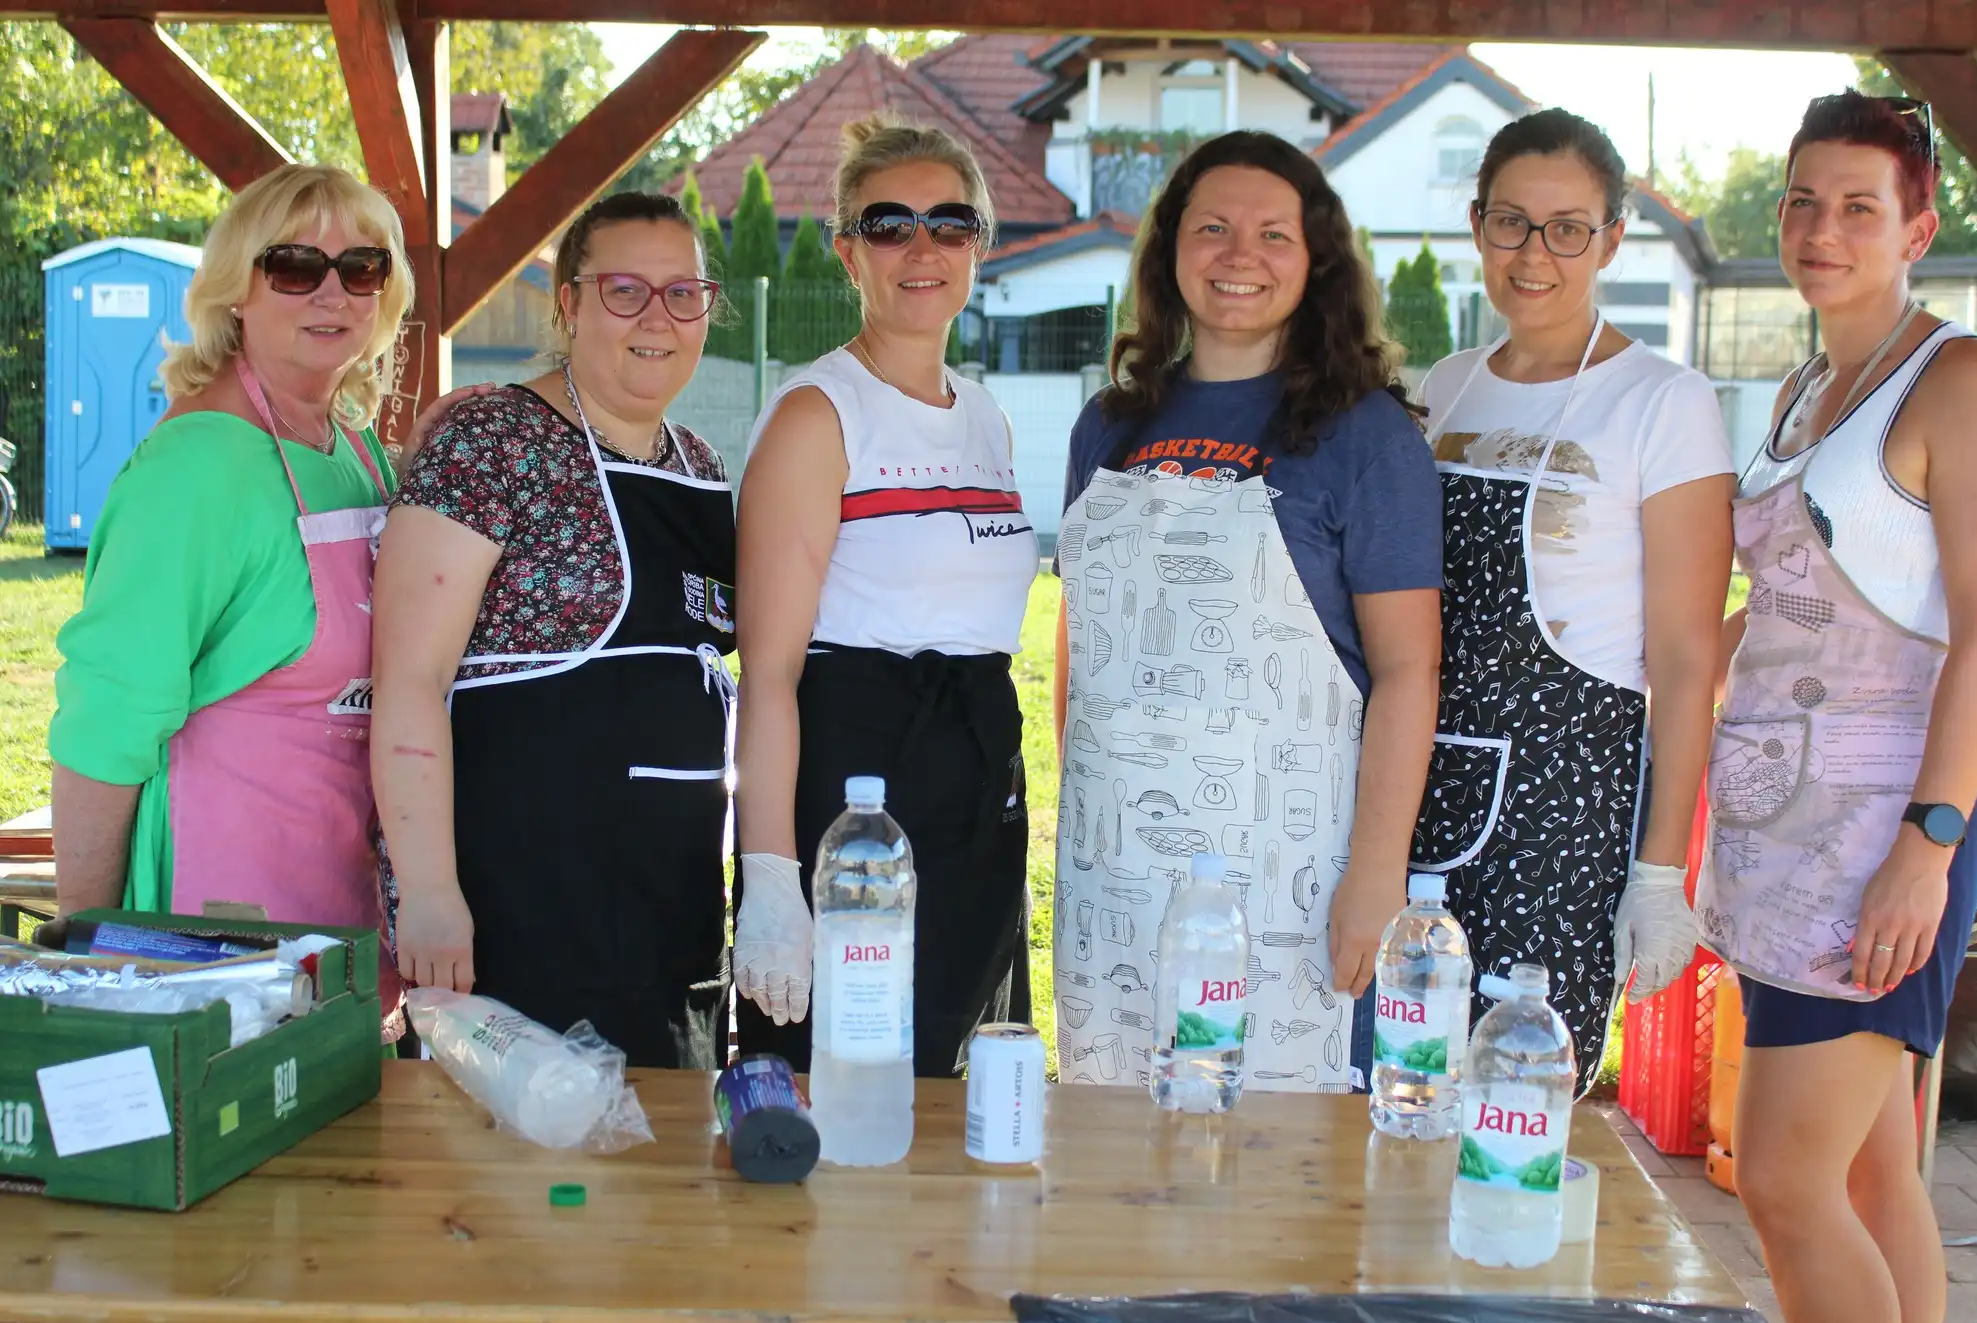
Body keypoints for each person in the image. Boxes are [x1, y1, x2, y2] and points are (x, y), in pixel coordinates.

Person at [46, 163, 472, 1323]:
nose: (331, 292)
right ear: (238, 289)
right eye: (296, 266)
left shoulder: (353, 450)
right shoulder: (198, 467)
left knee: (266, 1260)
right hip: (209, 947)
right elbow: (102, 730)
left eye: (362, 267)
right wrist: (95, 948)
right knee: (207, 1277)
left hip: (332, 934)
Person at [1697, 91, 1977, 1323]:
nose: (1820, 229)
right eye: (1801, 200)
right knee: (1868, 1168)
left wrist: (1928, 841)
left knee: (1783, 1183)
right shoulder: (1806, 386)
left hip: (1876, 836)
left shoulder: (1963, 379)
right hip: (1773, 825)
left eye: (1857, 206)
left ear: (1917, 229)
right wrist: (1668, 685)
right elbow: (1786, 608)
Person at [1052, 130, 1443, 1092]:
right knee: (1113, 1141)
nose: (1240, 255)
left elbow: (1407, 670)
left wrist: (1377, 873)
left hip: (1288, 878)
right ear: (1169, 251)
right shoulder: (1108, 425)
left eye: (1274, 234)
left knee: (1279, 1154)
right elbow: (1083, 642)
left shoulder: (1366, 435)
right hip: (1115, 873)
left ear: (1316, 263)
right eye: (1213, 228)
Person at [1408, 109, 1734, 1085]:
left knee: (1515, 1096)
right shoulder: (1447, 385)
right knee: (1402, 1073)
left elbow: (1684, 660)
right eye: (1511, 222)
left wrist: (1659, 870)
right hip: (1414, 781)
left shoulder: (1662, 402)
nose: (1533, 254)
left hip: (1564, 802)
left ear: (1610, 239)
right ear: (1477, 225)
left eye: (1566, 229)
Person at [374, 191, 734, 1073]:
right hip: (518, 909)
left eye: (683, 293)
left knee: (665, 1153)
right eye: (625, 290)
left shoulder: (702, 465)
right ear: (568, 303)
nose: (658, 317)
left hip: (674, 914)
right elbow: (411, 679)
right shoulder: (490, 441)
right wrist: (428, 891)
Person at [731, 116, 1038, 1080]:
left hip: (979, 787)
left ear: (980, 246)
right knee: (850, 1091)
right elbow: (769, 672)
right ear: (847, 251)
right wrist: (770, 876)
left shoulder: (985, 416)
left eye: (950, 224)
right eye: (889, 224)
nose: (922, 248)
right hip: (856, 799)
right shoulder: (817, 414)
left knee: (962, 1087)